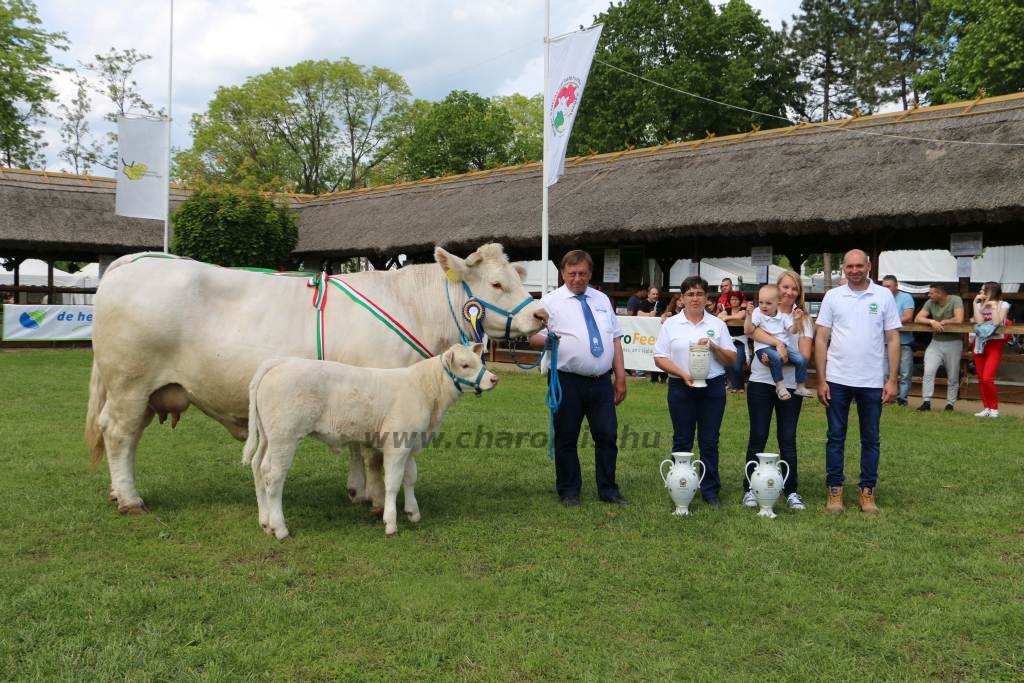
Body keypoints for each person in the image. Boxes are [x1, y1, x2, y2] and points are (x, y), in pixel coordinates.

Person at [529, 250, 628, 508]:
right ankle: (569, 491)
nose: (577, 278)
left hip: (601, 382)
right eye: (571, 274)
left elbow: (615, 339)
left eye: (582, 273)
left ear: (590, 273)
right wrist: (550, 339)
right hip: (566, 380)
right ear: (562, 274)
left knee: (607, 435)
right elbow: (532, 336)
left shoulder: (602, 299)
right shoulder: (549, 302)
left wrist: (620, 377)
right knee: (567, 436)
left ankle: (608, 490)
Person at [815, 249, 901, 514]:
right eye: (849, 266)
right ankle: (835, 491)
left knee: (871, 439)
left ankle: (867, 492)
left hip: (872, 380)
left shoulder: (884, 295)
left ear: (868, 266)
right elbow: (821, 338)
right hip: (837, 379)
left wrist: (892, 379)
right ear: (844, 268)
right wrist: (821, 379)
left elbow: (893, 339)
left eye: (858, 266)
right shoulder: (833, 296)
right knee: (835, 437)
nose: (854, 270)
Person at [654, 276, 736, 508]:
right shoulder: (671, 324)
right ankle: (681, 486)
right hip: (681, 387)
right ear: (681, 299)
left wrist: (715, 347)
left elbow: (731, 359)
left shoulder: (717, 325)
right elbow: (660, 357)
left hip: (713, 387)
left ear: (707, 298)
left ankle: (710, 490)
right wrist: (683, 374)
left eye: (699, 294)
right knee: (682, 439)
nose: (695, 298)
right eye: (690, 294)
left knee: (709, 440)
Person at [742, 270, 813, 511]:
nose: (789, 292)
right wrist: (777, 345)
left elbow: (804, 356)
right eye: (785, 287)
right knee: (758, 436)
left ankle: (791, 489)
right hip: (761, 383)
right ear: (777, 288)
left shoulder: (803, 321)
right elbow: (750, 332)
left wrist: (778, 358)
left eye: (794, 289)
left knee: (787, 439)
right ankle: (750, 488)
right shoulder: (763, 313)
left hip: (791, 386)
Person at [748, 284, 813, 400]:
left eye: (768, 303)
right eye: (761, 302)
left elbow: (792, 331)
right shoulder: (758, 314)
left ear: (778, 303)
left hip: (784, 348)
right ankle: (780, 386)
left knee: (801, 359)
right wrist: (748, 316)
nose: (763, 306)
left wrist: (797, 320)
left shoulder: (783, 317)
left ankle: (800, 386)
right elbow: (749, 331)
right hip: (764, 348)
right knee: (775, 357)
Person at [914, 283, 965, 412]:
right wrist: (932, 321)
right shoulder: (930, 303)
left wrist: (945, 321)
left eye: (931, 293)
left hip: (953, 342)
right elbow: (918, 318)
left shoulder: (955, 299)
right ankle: (926, 401)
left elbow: (959, 319)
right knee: (928, 371)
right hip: (936, 342)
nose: (929, 295)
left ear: (940, 293)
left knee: (953, 374)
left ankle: (950, 403)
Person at [972, 281, 1011, 418]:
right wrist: (975, 304)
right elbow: (979, 321)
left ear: (991, 292)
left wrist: (993, 306)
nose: (980, 293)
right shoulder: (979, 304)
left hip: (995, 343)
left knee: (988, 377)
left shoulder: (1003, 304)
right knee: (982, 378)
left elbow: (996, 322)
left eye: (983, 291)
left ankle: (994, 408)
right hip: (980, 343)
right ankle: (986, 407)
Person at [880, 275, 916, 406]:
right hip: (884, 341)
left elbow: (908, 316)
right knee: (884, 372)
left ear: (896, 286)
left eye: (888, 286)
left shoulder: (906, 297)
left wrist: (888, 321)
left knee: (905, 372)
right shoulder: (881, 298)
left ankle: (903, 398)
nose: (886, 288)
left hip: (904, 341)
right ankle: (887, 397)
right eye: (884, 286)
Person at [717, 292, 748, 393]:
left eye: (736, 299)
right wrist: (725, 316)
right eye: (732, 299)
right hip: (728, 341)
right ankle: (734, 386)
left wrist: (726, 318)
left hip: (740, 341)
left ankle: (741, 386)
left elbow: (739, 317)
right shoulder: (727, 310)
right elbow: (718, 316)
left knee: (737, 365)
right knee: (727, 364)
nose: (734, 301)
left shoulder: (743, 311)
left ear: (740, 300)